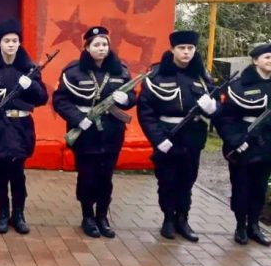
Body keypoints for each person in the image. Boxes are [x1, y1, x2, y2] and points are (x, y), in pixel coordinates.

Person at [52, 26, 137, 238]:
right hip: (85, 132)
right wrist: (78, 119)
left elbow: (133, 96)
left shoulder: (120, 70)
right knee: (87, 175)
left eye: (104, 44)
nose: (101, 48)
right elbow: (60, 100)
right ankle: (88, 216)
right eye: (96, 44)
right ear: (87, 47)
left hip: (112, 132)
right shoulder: (73, 71)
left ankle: (102, 216)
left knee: (106, 176)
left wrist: (127, 99)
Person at [137, 30, 216, 242]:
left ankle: (183, 219)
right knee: (167, 181)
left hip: (193, 138)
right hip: (167, 136)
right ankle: (168, 219)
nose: (186, 52)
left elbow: (216, 102)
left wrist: (213, 108)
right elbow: (146, 112)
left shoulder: (201, 76)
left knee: (187, 180)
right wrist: (158, 139)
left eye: (190, 48)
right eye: (182, 48)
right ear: (172, 49)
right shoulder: (157, 76)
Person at [0, 20, 48, 235]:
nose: (12, 44)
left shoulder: (29, 69)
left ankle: (19, 215)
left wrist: (31, 85)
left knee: (18, 175)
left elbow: (42, 98)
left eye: (15, 40)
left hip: (20, 127)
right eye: (7, 41)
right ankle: (3, 214)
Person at [215, 42, 271, 246]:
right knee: (241, 187)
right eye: (267, 57)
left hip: (267, 146)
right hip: (244, 144)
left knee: (260, 188)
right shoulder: (239, 85)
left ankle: (254, 226)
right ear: (255, 60)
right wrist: (235, 140)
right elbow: (226, 118)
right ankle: (240, 226)